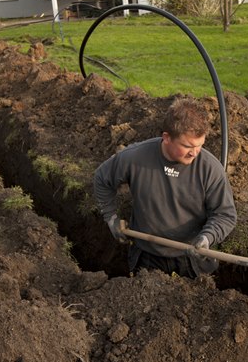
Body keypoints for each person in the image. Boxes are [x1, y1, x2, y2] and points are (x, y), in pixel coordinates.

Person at [93, 96, 237, 278]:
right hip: (147, 256)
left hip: (190, 258)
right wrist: (111, 218)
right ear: (167, 138)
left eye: (200, 145)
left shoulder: (209, 168)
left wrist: (207, 237)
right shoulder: (135, 158)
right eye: (187, 146)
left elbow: (225, 214)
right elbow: (101, 179)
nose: (195, 152)